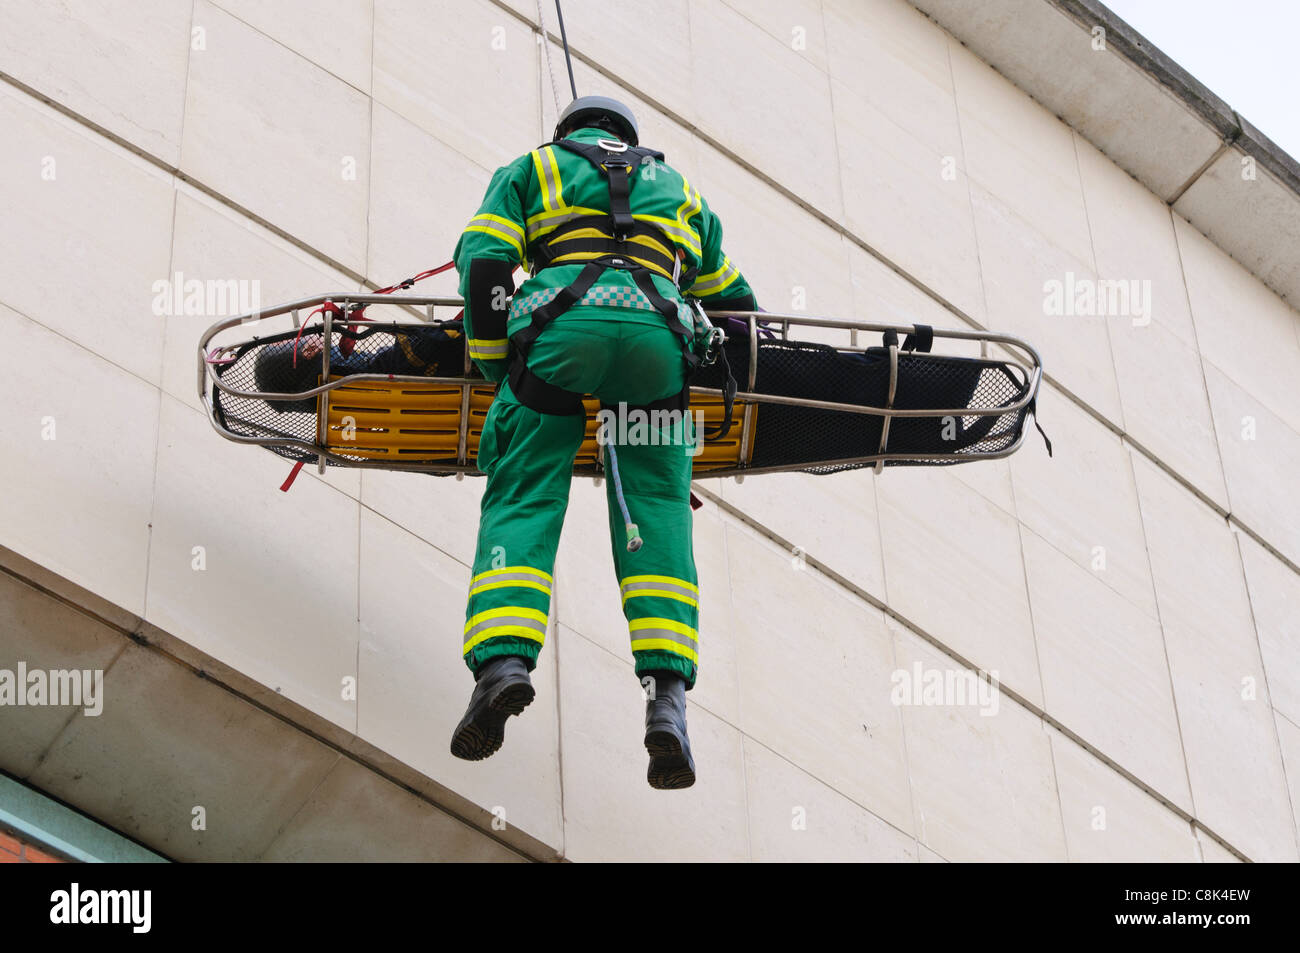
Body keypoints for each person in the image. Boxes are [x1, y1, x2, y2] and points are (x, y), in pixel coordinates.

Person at [448, 95, 757, 789]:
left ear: (568, 132)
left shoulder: (534, 168)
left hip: (561, 340)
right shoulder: (681, 190)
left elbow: (487, 263)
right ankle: (666, 701)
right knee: (656, 510)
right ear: (628, 137)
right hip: (659, 352)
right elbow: (737, 305)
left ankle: (503, 665)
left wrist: (504, 367)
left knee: (524, 494)